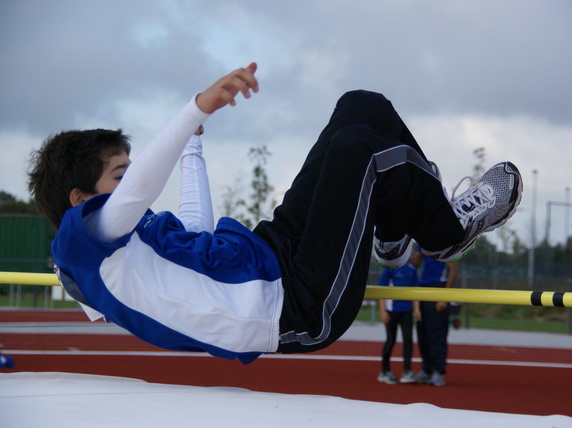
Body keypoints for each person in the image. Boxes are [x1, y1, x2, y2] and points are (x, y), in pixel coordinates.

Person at [27, 62, 523, 364]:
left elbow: (197, 228)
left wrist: (192, 152)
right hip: (294, 305)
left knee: (361, 107)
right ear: (80, 200)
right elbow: (136, 193)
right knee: (359, 148)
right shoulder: (83, 244)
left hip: (271, 248)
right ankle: (444, 235)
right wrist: (195, 110)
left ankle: (396, 232)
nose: (131, 182)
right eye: (118, 175)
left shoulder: (135, 242)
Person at [376, 246, 422, 384]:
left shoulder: (412, 270)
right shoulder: (390, 269)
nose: (412, 254)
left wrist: (417, 309)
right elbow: (381, 291)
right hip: (391, 311)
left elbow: (415, 291)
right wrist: (383, 311)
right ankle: (384, 371)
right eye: (410, 252)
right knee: (391, 340)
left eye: (412, 252)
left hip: (406, 311)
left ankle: (407, 371)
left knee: (408, 339)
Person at [414, 256, 459, 386]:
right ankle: (426, 369)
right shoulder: (420, 243)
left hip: (439, 286)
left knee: (436, 333)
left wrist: (444, 297)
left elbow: (454, 271)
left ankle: (437, 371)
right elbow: (416, 262)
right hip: (423, 286)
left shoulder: (448, 242)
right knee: (422, 331)